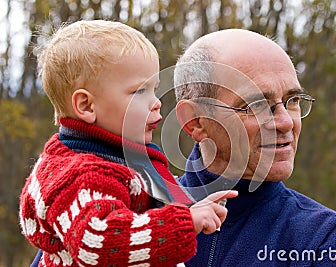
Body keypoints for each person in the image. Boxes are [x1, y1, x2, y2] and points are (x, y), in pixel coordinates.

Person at [19, 20, 237, 267]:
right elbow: (98, 242)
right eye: (139, 92)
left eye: (154, 89)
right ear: (86, 106)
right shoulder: (81, 175)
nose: (156, 103)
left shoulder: (117, 156)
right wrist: (186, 221)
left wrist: (191, 206)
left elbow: (142, 212)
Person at [173, 29, 336, 266]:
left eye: (293, 101)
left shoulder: (325, 242)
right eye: (257, 105)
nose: (286, 122)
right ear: (195, 122)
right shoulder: (137, 221)